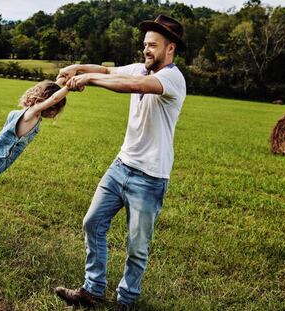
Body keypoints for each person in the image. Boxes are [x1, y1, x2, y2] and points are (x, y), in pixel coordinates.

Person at [55, 15, 186, 310]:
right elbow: (106, 70)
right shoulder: (141, 68)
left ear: (171, 49)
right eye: (145, 45)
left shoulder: (171, 79)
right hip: (121, 166)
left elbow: (133, 85)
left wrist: (89, 80)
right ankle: (93, 290)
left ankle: (126, 300)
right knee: (92, 222)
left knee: (137, 248)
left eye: (153, 45)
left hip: (150, 177)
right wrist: (77, 68)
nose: (146, 50)